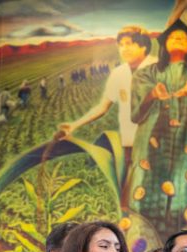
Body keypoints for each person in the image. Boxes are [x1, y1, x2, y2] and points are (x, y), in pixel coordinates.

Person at [125, 20, 187, 237]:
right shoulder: (147, 73)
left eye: (183, 38)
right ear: (164, 44)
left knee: (186, 187)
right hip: (152, 141)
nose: (177, 39)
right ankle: (145, 238)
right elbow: (136, 111)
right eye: (173, 37)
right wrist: (152, 94)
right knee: (146, 185)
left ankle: (182, 242)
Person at [56, 26, 157, 189]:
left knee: (154, 188)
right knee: (130, 188)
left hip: (157, 143)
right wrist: (75, 124)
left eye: (129, 43)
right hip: (129, 141)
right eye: (121, 45)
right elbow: (103, 107)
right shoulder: (118, 73)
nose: (124, 49)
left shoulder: (159, 68)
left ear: (143, 45)